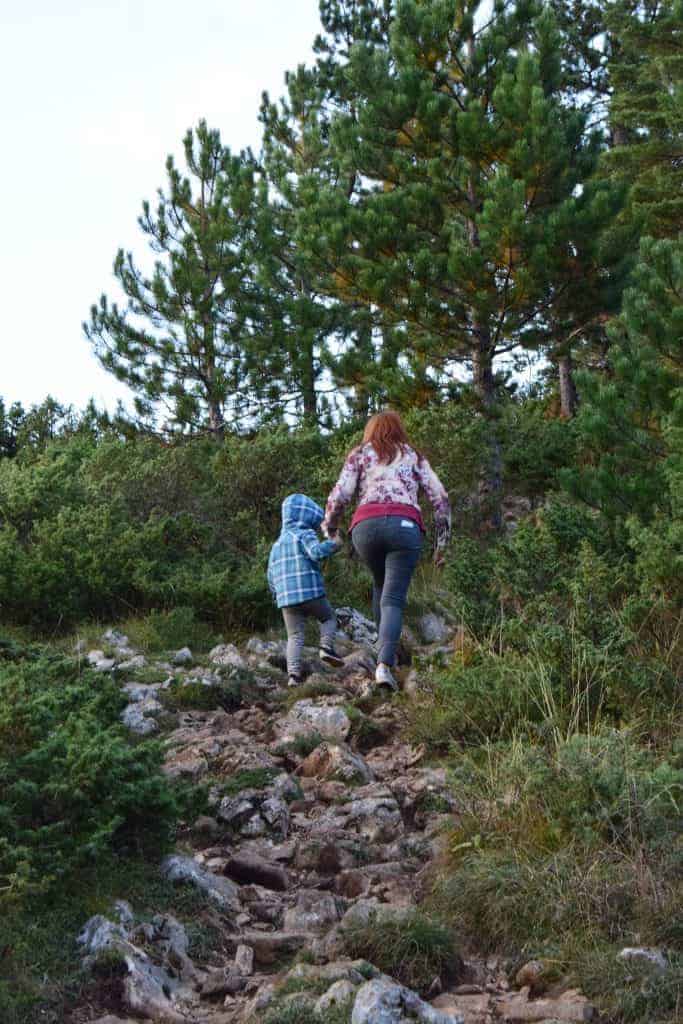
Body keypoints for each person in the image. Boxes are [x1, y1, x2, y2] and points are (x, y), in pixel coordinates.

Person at [323, 411, 451, 690]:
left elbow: (340, 495)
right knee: (393, 597)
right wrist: (441, 545)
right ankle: (385, 665)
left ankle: (386, 652)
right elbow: (440, 497)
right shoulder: (413, 455)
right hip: (404, 527)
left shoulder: (359, 454)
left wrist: (331, 530)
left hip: (365, 529)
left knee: (381, 585)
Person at [268, 493, 344, 687]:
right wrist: (334, 545)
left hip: (286, 600)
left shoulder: (276, 545)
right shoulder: (304, 534)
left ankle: (293, 676)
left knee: (294, 636)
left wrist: (277, 595)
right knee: (328, 618)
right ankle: (326, 647)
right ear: (305, 516)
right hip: (310, 592)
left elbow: (270, 575)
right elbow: (315, 553)